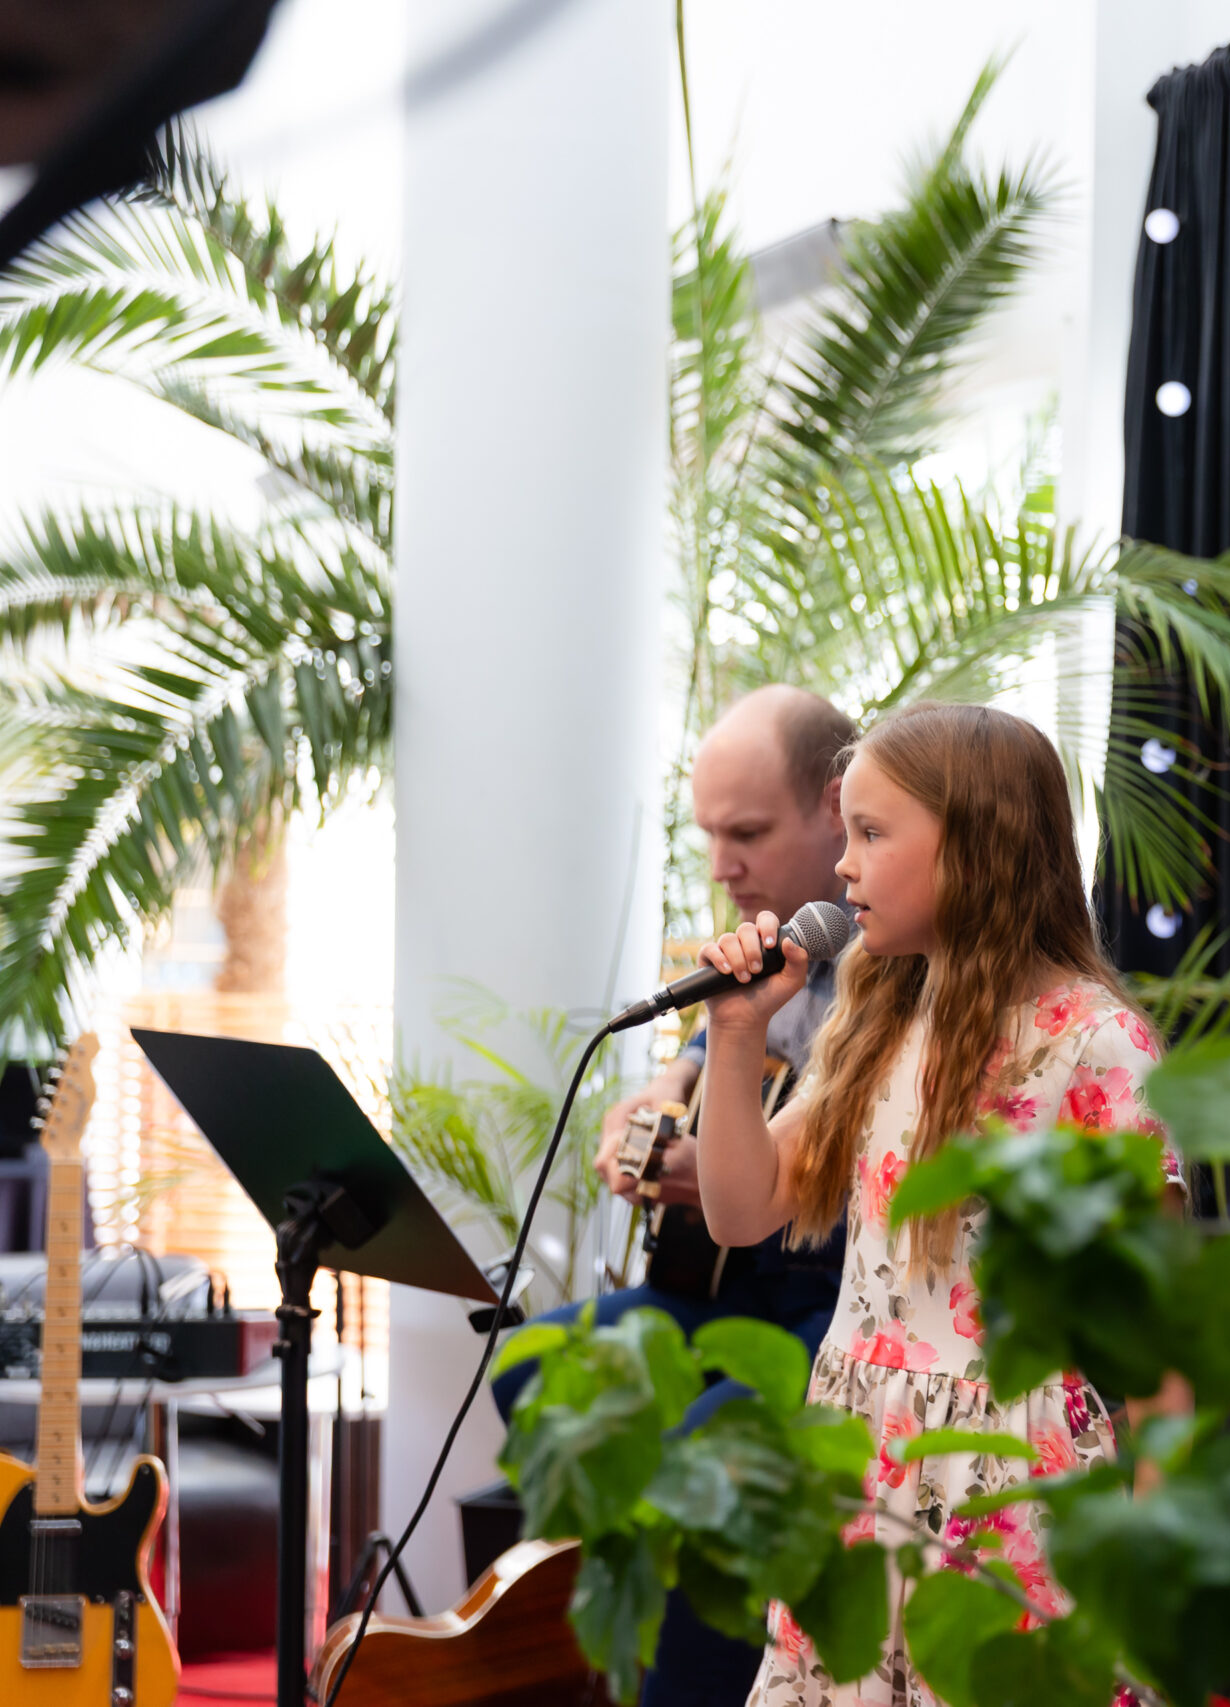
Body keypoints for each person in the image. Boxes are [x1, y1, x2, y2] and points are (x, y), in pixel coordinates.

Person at [689, 701, 1182, 1707]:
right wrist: (736, 1038)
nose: (843, 865)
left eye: (872, 832)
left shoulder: (1094, 1043)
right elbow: (742, 1213)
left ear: (976, 844)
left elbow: (1159, 1344)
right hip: (860, 1461)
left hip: (1013, 1477)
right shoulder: (885, 1011)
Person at [491, 683, 859, 1707]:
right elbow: (682, 1072)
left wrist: (735, 1172)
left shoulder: (888, 967)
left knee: (709, 1456)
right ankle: (634, 1618)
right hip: (716, 1285)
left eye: (748, 832)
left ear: (834, 807)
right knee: (533, 1369)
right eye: (708, 835)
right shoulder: (768, 947)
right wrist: (644, 1123)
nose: (721, 864)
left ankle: (704, 1663)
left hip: (828, 1306)